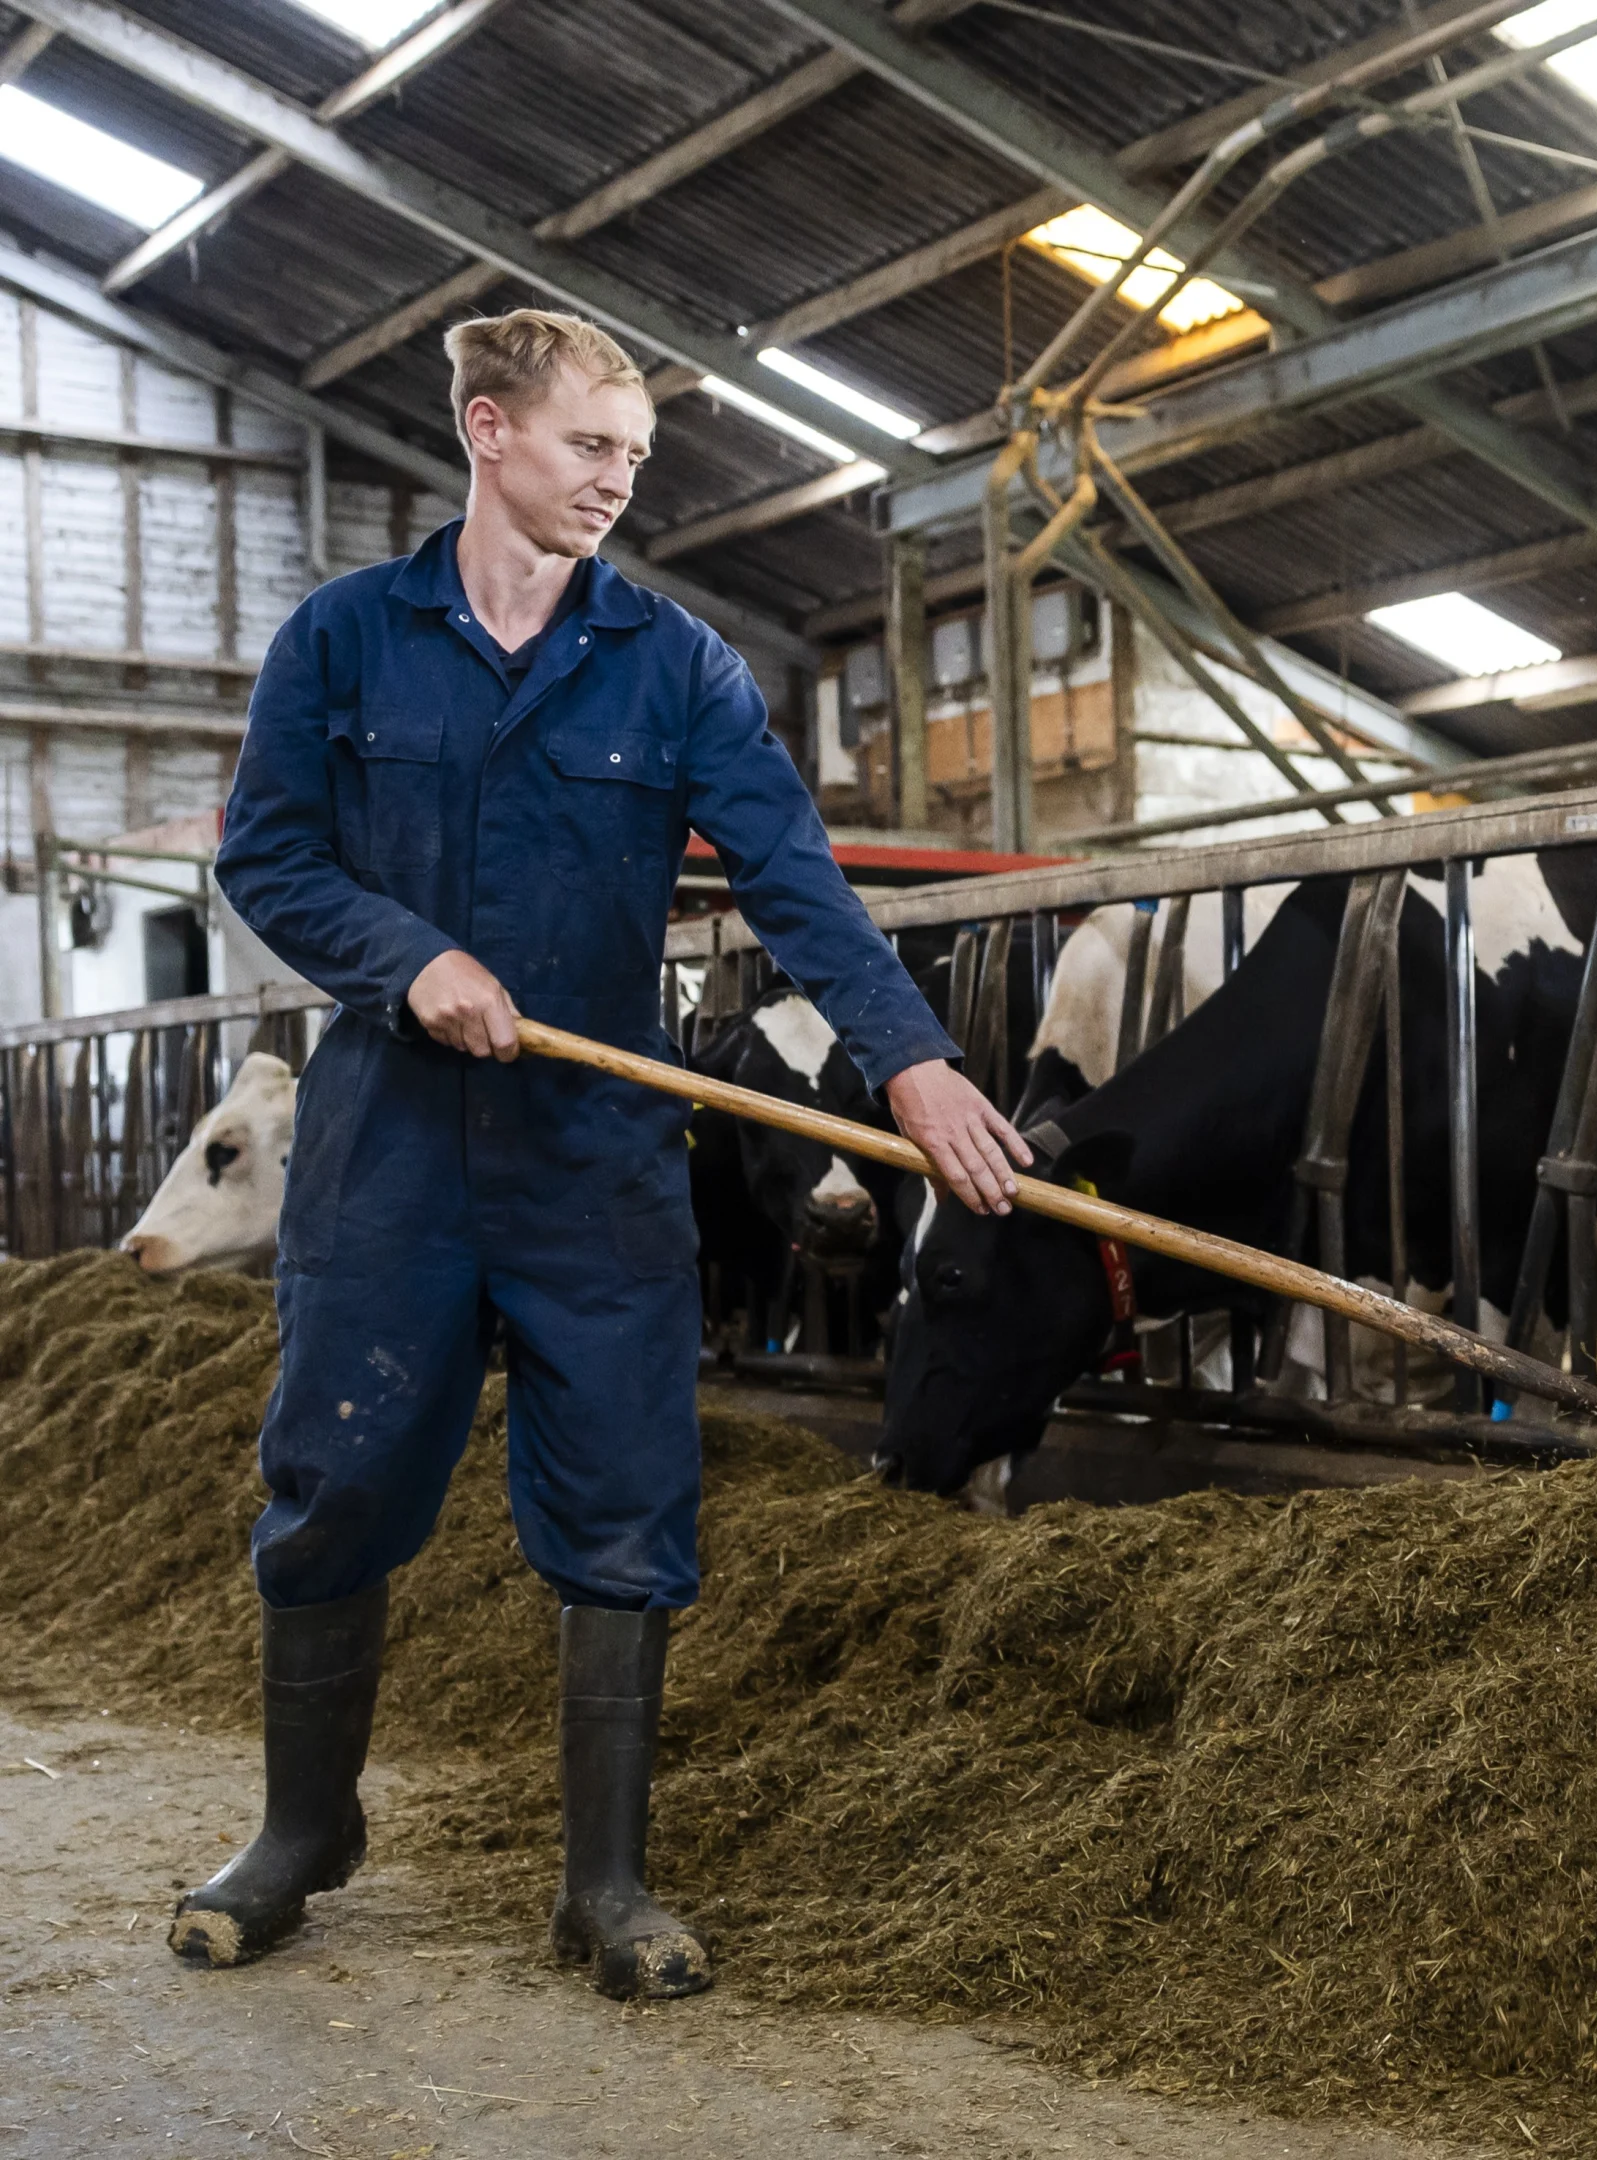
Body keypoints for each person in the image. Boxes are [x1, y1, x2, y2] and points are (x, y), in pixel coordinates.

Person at [171, 310, 1032, 2001]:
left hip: (593, 1154)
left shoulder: (675, 661)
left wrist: (910, 1062)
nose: (619, 481)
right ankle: (301, 1833)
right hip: (391, 1143)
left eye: (635, 455)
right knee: (337, 1476)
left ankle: (606, 1884)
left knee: (627, 1501)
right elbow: (265, 856)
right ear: (489, 432)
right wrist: (407, 959)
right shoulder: (344, 639)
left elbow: (795, 877)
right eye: (590, 445)